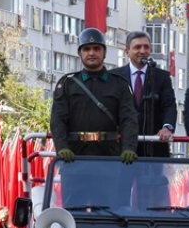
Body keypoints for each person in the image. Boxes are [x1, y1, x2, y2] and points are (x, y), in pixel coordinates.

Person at [49, 28, 139, 207]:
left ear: (104, 52)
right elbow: (57, 120)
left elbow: (129, 119)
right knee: (75, 213)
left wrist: (128, 147)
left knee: (107, 213)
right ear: (80, 53)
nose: (91, 53)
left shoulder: (119, 84)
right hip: (75, 158)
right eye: (87, 49)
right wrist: (62, 147)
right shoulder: (67, 83)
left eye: (96, 48)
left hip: (108, 159)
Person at [110, 31, 177, 158]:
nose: (142, 50)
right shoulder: (114, 76)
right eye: (137, 47)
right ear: (127, 51)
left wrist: (167, 128)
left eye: (146, 47)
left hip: (154, 146)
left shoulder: (161, 76)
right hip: (122, 147)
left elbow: (169, 105)